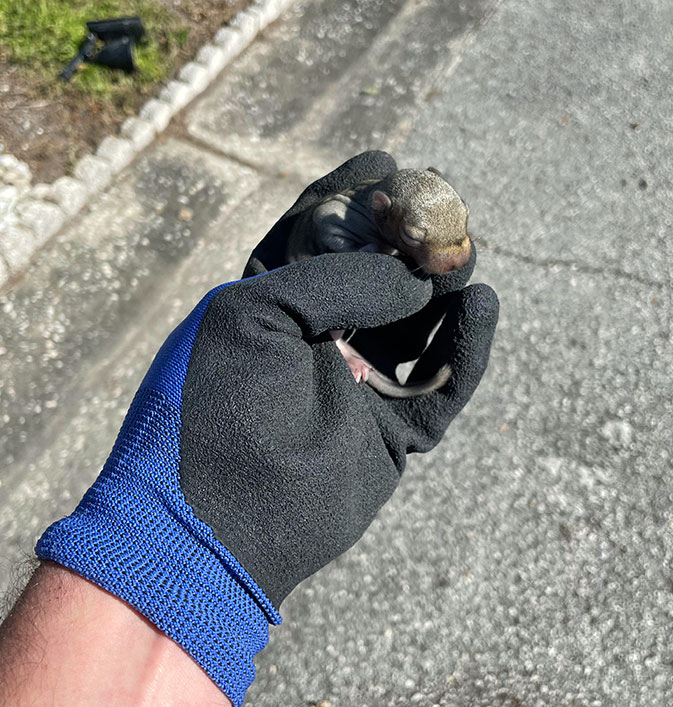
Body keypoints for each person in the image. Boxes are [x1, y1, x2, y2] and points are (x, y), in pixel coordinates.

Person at [0, 153, 499, 706]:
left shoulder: (391, 221)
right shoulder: (341, 222)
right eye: (420, 238)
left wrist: (163, 540)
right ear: (381, 209)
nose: (452, 259)